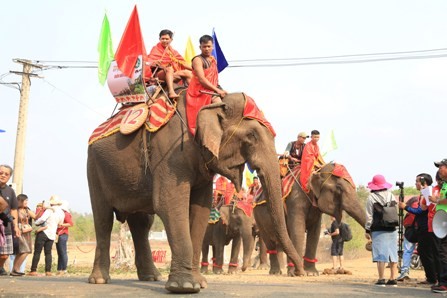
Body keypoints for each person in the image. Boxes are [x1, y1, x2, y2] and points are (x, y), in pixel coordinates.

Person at [398, 173, 438, 286]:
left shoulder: (428, 193)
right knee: (424, 252)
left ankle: (433, 277)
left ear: (423, 182)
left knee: (428, 253)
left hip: (427, 228)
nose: (415, 183)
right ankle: (431, 277)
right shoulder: (425, 193)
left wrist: (405, 207)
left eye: (417, 181)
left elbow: (421, 211)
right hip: (423, 228)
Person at [186, 35, 228, 135]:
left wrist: (221, 89)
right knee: (219, 106)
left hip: (212, 89)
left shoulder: (213, 60)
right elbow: (202, 80)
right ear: (200, 47)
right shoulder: (197, 60)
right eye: (204, 46)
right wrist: (217, 91)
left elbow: (215, 80)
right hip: (200, 91)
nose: (207, 49)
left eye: (209, 46)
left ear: (212, 46)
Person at [364, 174, 398, 287]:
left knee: (380, 254)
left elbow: (369, 216)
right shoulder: (391, 195)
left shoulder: (371, 198)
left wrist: (367, 229)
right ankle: (393, 278)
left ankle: (381, 279)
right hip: (392, 228)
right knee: (393, 253)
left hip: (378, 229)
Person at [146, 29, 192, 99]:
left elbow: (183, 63)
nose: (164, 40)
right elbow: (149, 61)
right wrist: (155, 62)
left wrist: (197, 70)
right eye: (163, 39)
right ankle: (171, 92)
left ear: (171, 39)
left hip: (172, 74)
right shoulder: (155, 49)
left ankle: (193, 91)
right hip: (160, 75)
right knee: (169, 69)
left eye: (167, 39)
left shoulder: (173, 52)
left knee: (187, 73)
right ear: (159, 39)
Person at [28, 195, 65, 276]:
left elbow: (42, 219)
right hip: (52, 234)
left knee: (37, 252)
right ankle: (48, 271)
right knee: (48, 253)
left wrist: (36, 223)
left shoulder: (50, 210)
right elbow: (60, 224)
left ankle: (33, 270)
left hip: (43, 232)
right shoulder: (62, 212)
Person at [431, 159, 447, 293]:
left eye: (441, 167)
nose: (439, 170)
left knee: (444, 253)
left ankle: (444, 284)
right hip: (443, 224)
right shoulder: (445, 184)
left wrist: (436, 200)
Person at [0, 165, 19, 276]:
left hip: (6, 226)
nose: (3, 175)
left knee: (4, 255)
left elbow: (14, 209)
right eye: (1, 172)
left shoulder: (10, 191)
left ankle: (0, 267)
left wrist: (16, 226)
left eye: (6, 174)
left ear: (9, 177)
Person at [10, 194, 36, 276]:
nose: (26, 202)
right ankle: (16, 269)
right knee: (24, 251)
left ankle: (15, 269)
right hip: (19, 231)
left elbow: (36, 217)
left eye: (27, 200)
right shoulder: (15, 210)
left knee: (23, 251)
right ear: (19, 201)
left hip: (26, 232)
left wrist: (43, 209)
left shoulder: (27, 210)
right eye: (24, 200)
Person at [396, 195, 419, 281]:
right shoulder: (419, 202)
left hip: (411, 231)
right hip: (423, 230)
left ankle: (404, 271)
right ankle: (432, 275)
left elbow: (407, 222)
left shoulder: (412, 208)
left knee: (407, 251)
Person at [56, 200, 73, 275]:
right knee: (59, 252)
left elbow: (71, 223)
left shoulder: (66, 214)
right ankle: (59, 269)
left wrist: (62, 224)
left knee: (63, 252)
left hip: (63, 234)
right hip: (58, 234)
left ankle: (64, 269)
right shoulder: (59, 213)